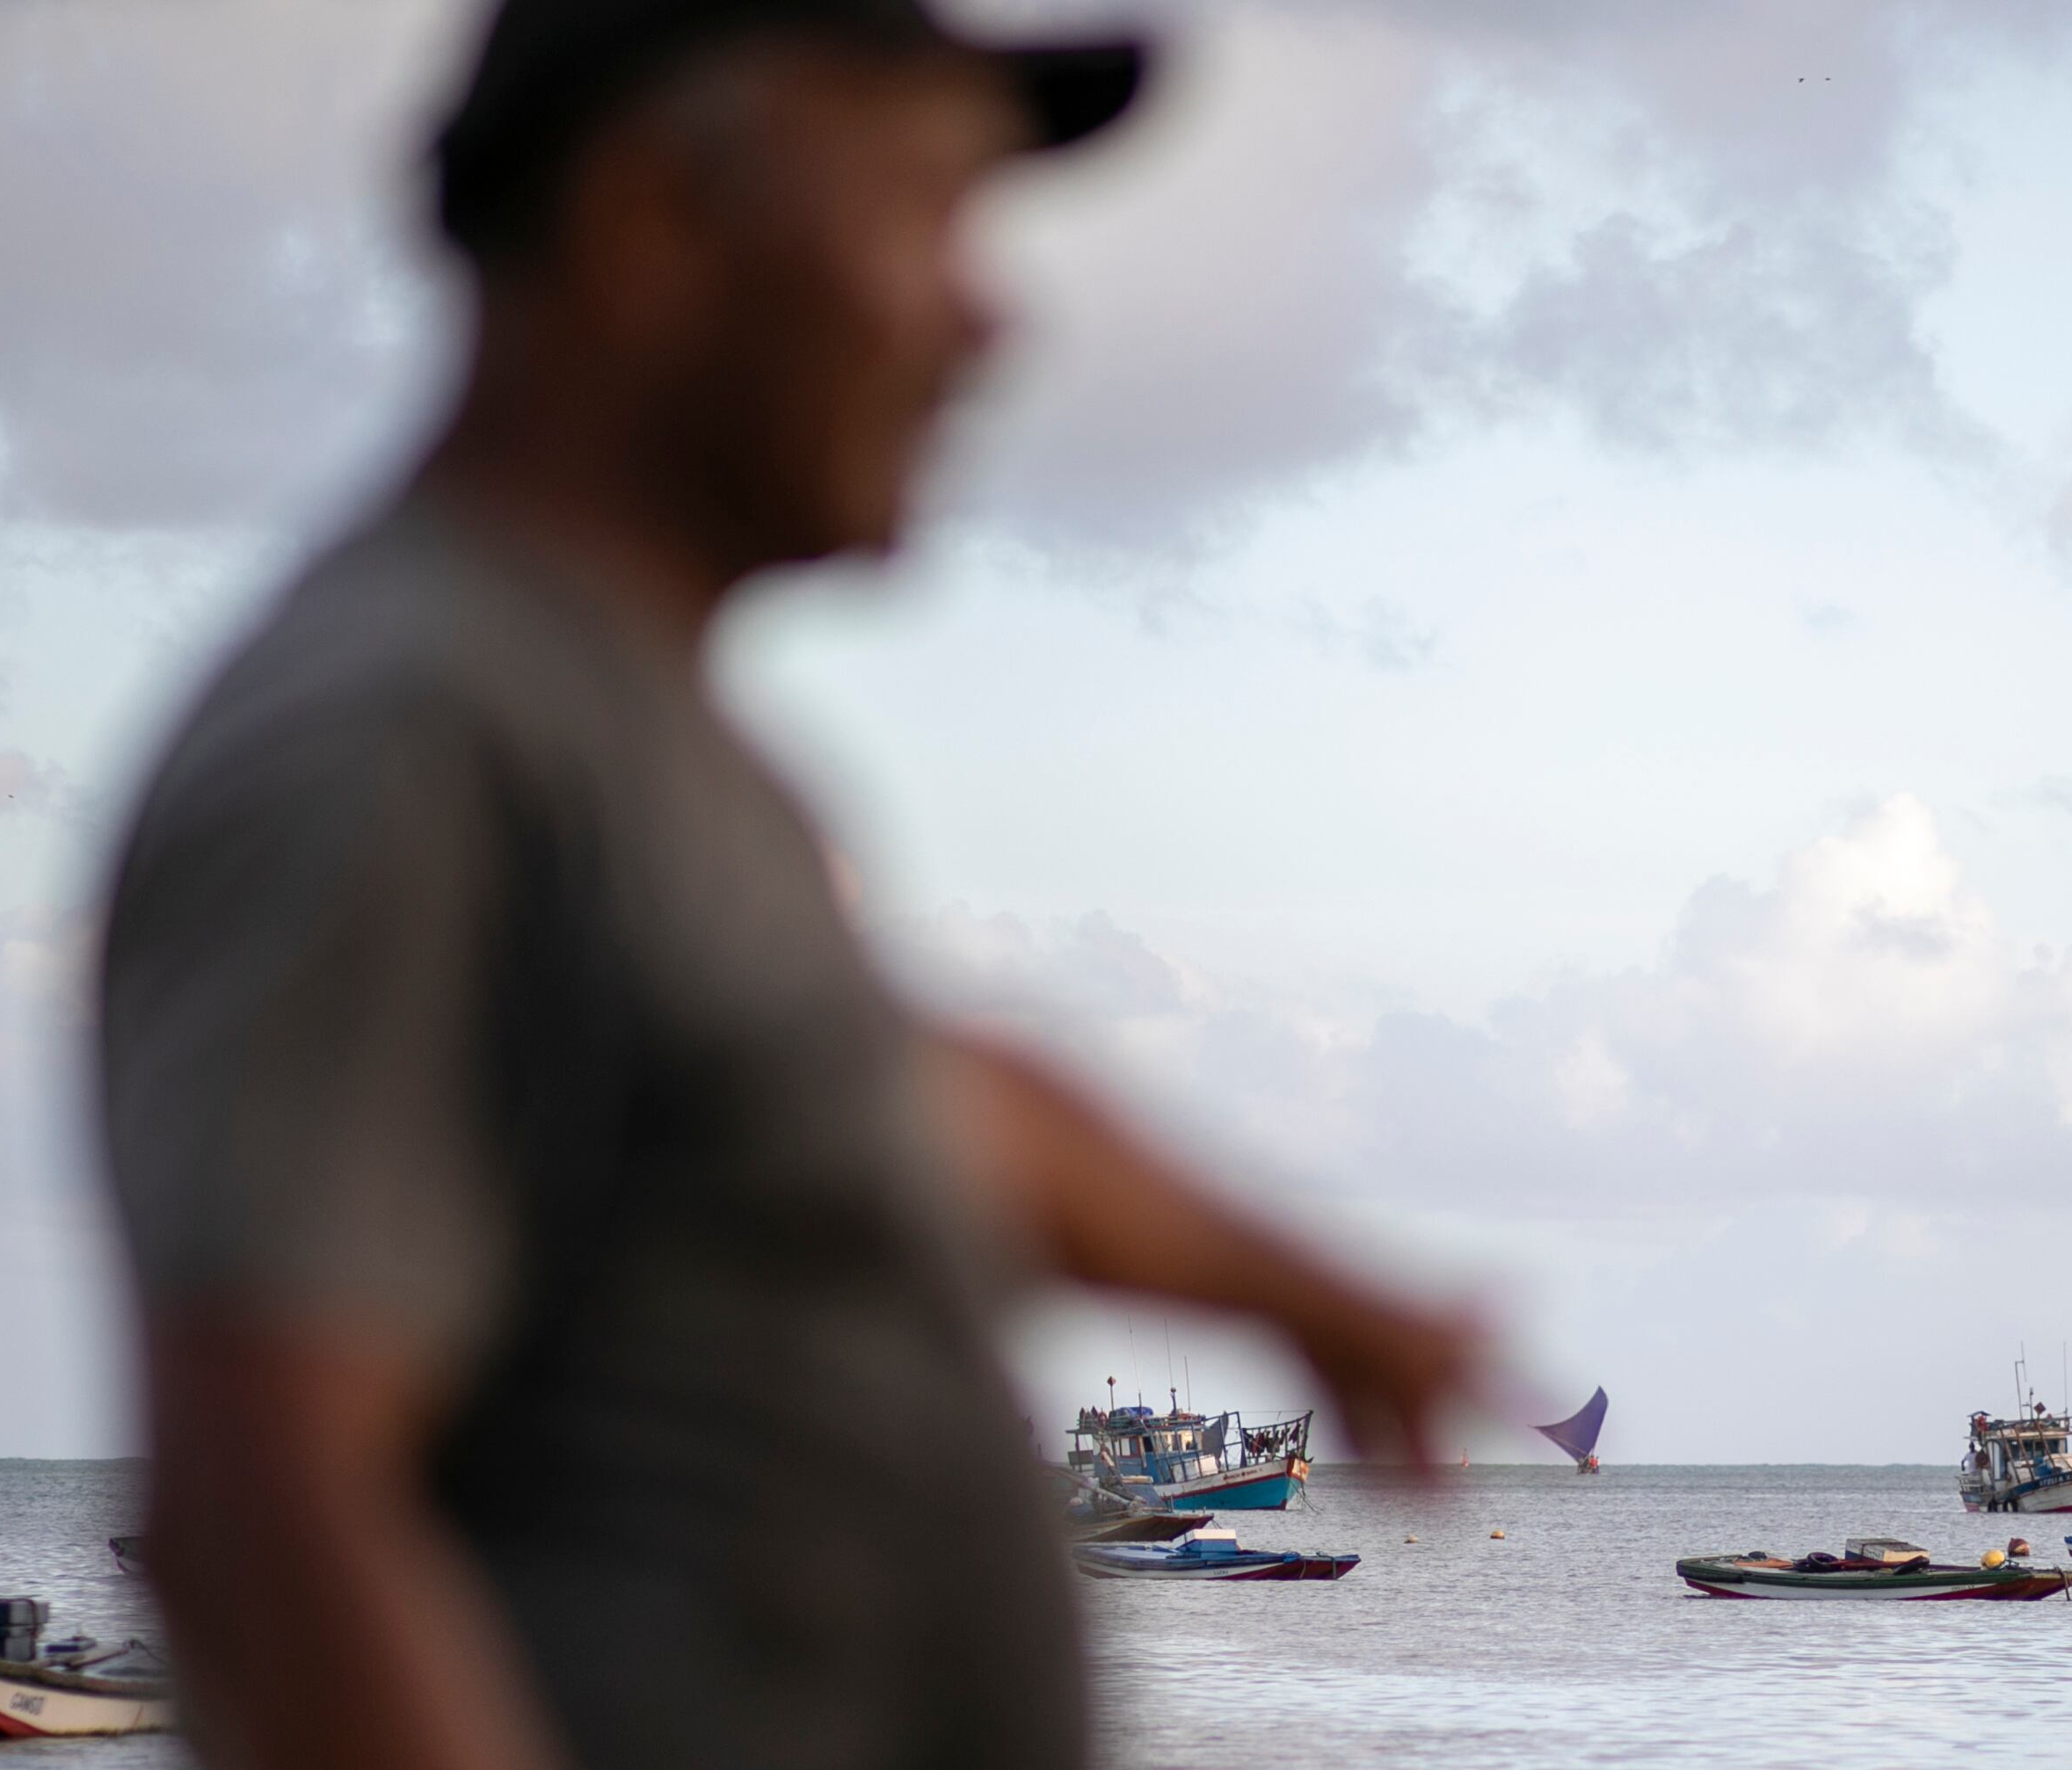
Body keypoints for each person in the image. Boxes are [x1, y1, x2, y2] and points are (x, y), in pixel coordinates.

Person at [96, 2, 1482, 1765]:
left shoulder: (644, 748)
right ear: (648, 219)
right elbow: (266, 1513)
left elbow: (941, 1114)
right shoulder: (405, 732)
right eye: (918, 211)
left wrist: (1316, 1297)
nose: (987, 315)